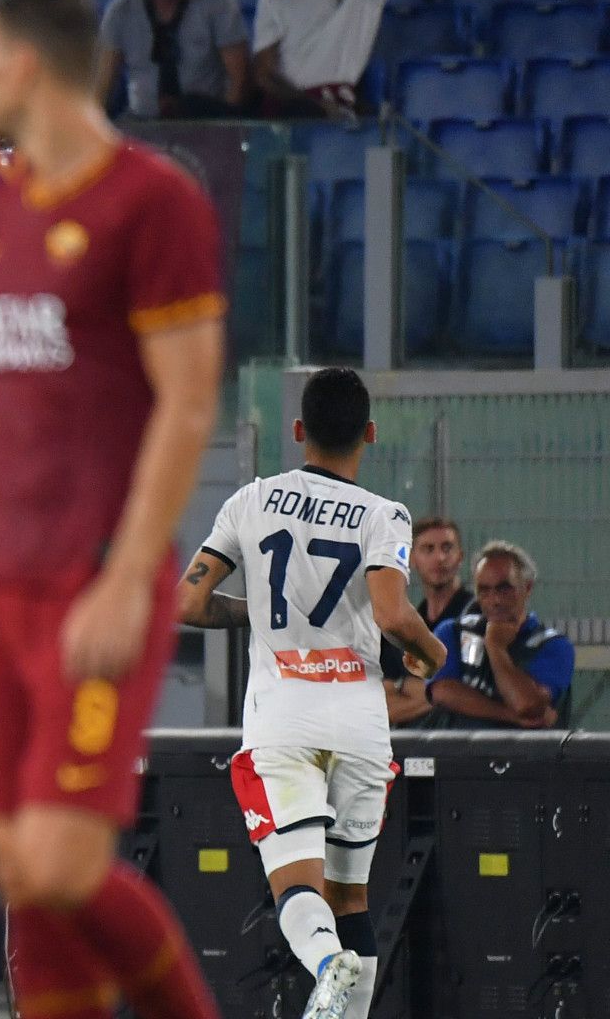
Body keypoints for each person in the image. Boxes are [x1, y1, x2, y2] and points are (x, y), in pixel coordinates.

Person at [0, 0, 226, 1019]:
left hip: (86, 578)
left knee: (67, 864)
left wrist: (130, 576)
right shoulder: (7, 203)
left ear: (25, 68)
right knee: (24, 876)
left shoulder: (154, 200)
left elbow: (189, 401)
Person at [177, 366, 446, 1019]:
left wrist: (262, 613)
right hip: (360, 726)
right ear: (370, 434)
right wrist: (436, 657)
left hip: (283, 726)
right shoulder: (386, 515)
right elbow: (391, 615)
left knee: (297, 886)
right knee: (350, 897)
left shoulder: (250, 501)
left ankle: (327, 964)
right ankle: (343, 992)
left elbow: (188, 602)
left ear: (298, 431)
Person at [252, 0, 413, 117]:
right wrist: (314, 105)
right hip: (291, 108)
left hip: (340, 108)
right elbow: (265, 74)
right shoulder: (274, 0)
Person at [427, 541, 574, 730]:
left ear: (527, 588)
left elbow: (526, 705)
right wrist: (509, 714)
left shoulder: (554, 646)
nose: (494, 600)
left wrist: (496, 647)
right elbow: (441, 691)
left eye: (504, 589)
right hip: (460, 756)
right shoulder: (452, 632)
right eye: (484, 590)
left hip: (527, 757)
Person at [97, 0, 247, 118]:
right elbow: (102, 87)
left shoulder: (218, 3)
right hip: (141, 123)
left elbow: (240, 80)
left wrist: (222, 126)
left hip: (204, 122)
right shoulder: (121, 11)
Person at [380, 516, 470, 727]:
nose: (439, 557)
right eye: (428, 549)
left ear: (460, 557)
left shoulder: (474, 616)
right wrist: (435, 693)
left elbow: (466, 693)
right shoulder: (403, 624)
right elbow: (382, 704)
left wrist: (403, 688)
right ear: (412, 559)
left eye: (447, 548)